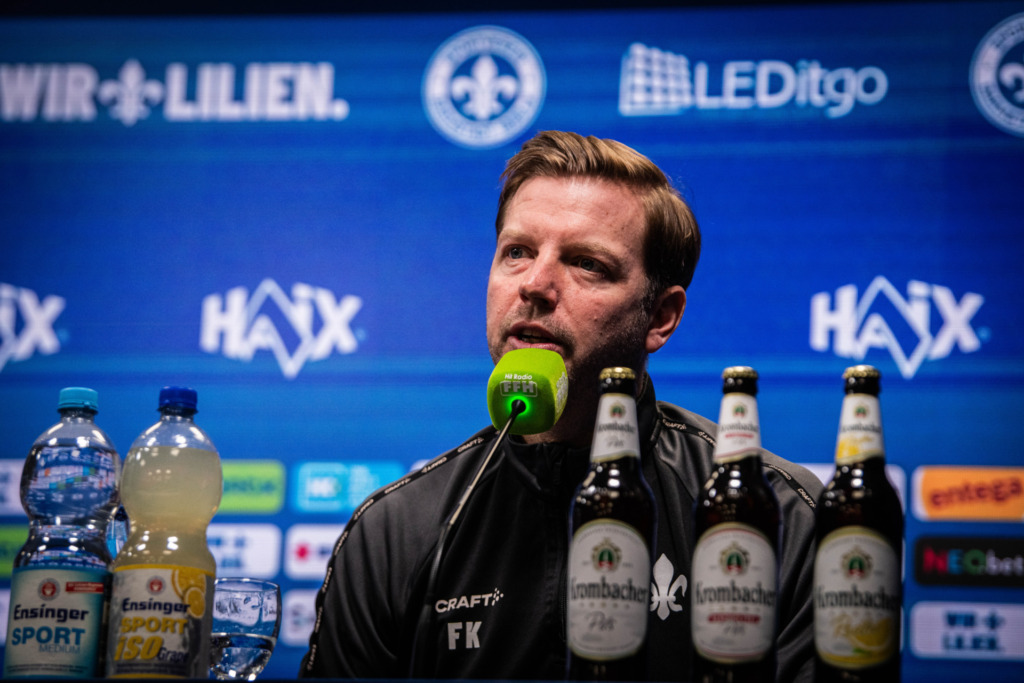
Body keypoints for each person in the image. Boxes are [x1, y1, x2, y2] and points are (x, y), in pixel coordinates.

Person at [300, 130, 823, 681]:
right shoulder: (395, 532)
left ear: (661, 317)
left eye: (587, 264)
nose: (535, 284)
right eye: (517, 253)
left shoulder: (777, 515)